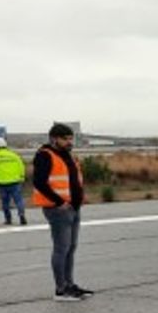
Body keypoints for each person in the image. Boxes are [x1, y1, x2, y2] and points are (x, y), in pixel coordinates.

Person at [32, 123, 92, 301]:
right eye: (65, 139)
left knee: (71, 248)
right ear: (54, 139)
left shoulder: (67, 155)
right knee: (61, 249)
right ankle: (61, 290)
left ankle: (69, 284)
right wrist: (59, 202)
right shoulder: (45, 155)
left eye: (71, 138)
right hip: (58, 210)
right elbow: (39, 182)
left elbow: (73, 180)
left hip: (73, 207)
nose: (69, 142)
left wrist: (80, 197)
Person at [0, 137, 27, 226]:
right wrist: (22, 177)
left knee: (5, 202)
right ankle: (22, 215)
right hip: (15, 181)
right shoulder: (14, 155)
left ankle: (8, 219)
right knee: (18, 200)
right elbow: (21, 166)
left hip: (1, 183)